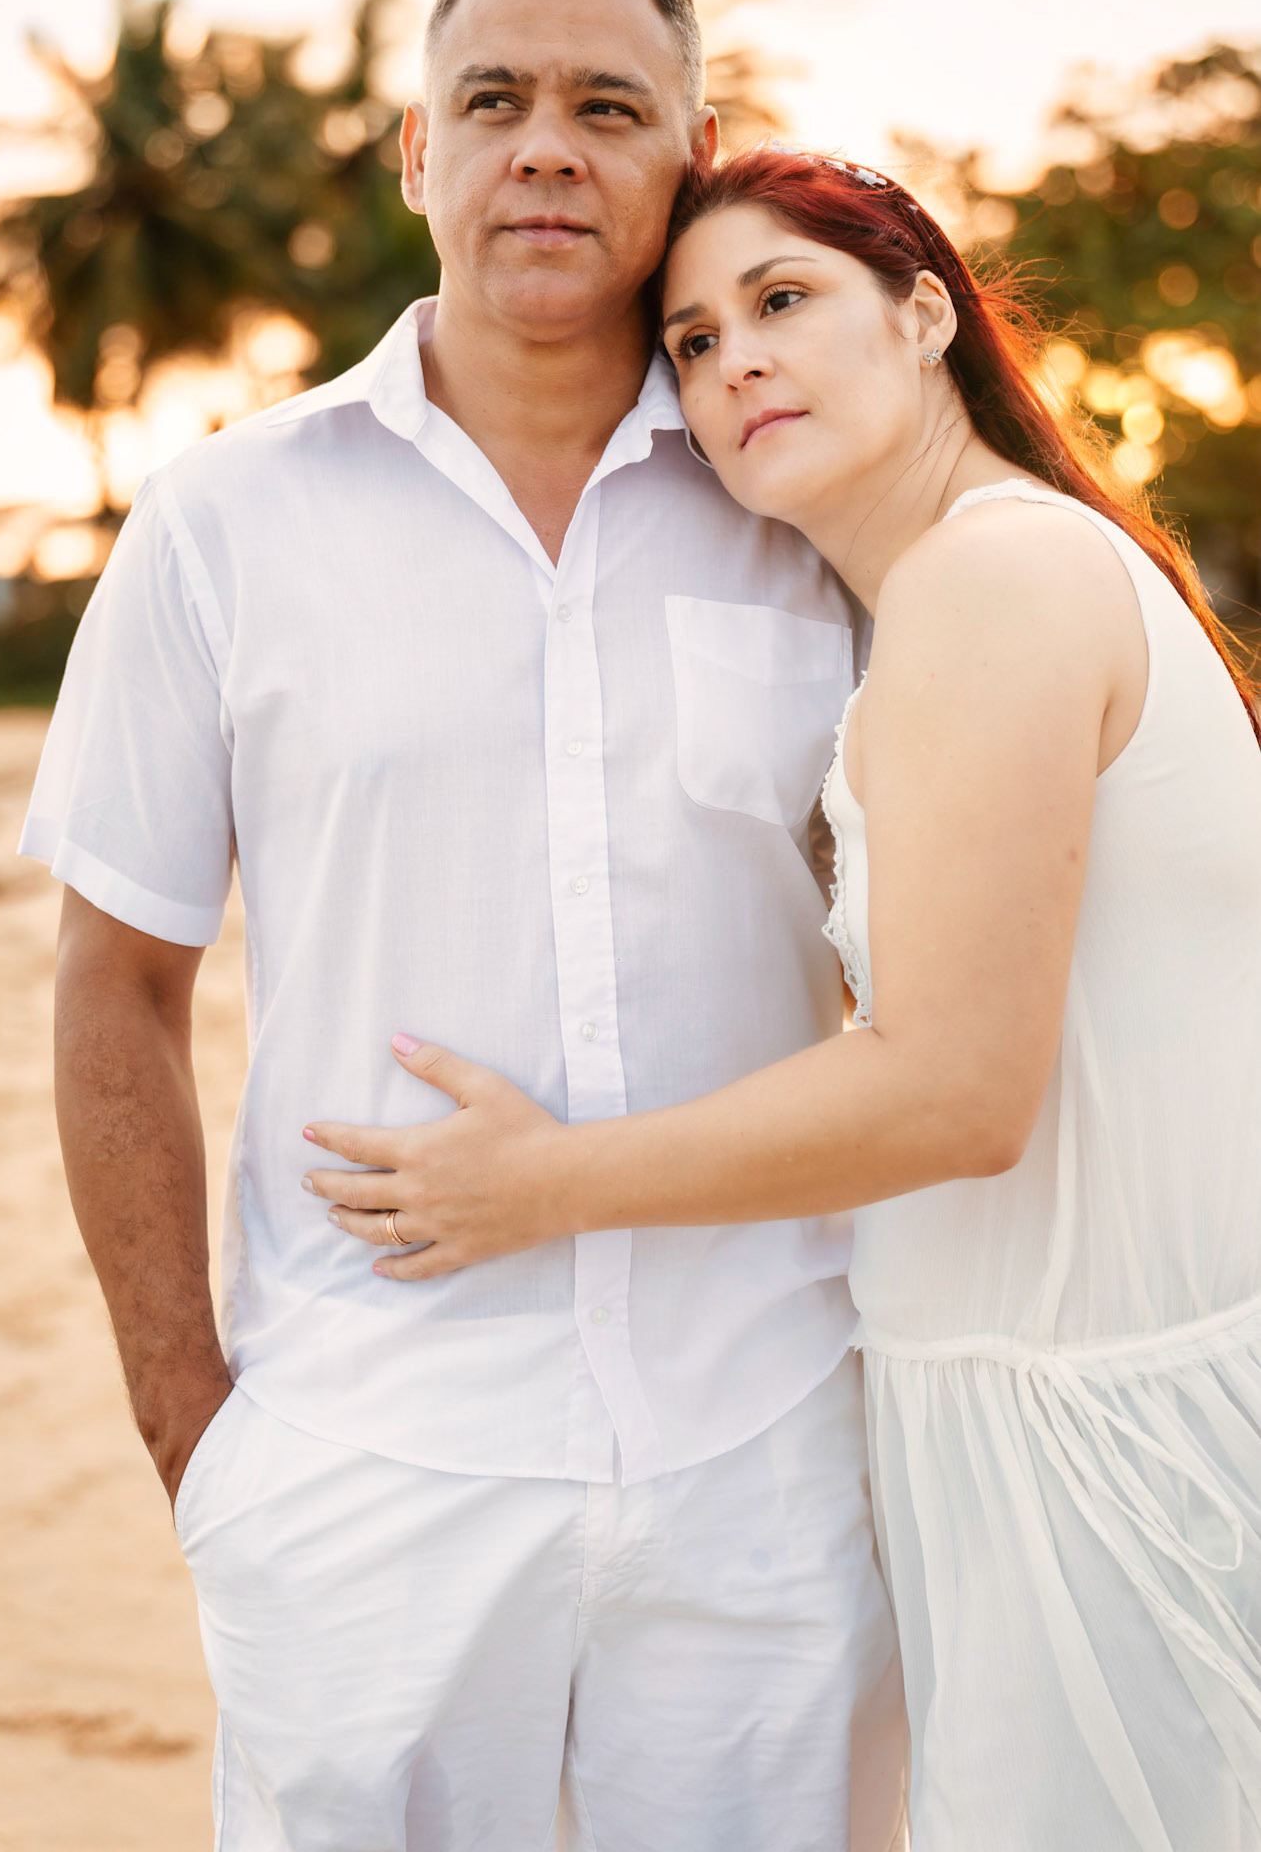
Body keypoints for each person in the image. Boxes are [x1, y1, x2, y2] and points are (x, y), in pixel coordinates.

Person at [21, 0, 906, 1851]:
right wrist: (199, 1427)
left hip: (762, 1452)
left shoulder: (811, 516)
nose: (545, 147)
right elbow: (115, 983)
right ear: (415, 149)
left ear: (687, 154)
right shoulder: (222, 525)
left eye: (608, 106)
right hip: (363, 1463)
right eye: (491, 97)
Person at [304, 147, 1261, 1851]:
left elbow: (957, 1092)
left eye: (780, 300)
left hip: (1094, 1447)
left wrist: (540, 1185)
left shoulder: (992, 582)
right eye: (686, 339)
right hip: (1053, 1419)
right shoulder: (965, 592)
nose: (731, 358)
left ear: (921, 314)